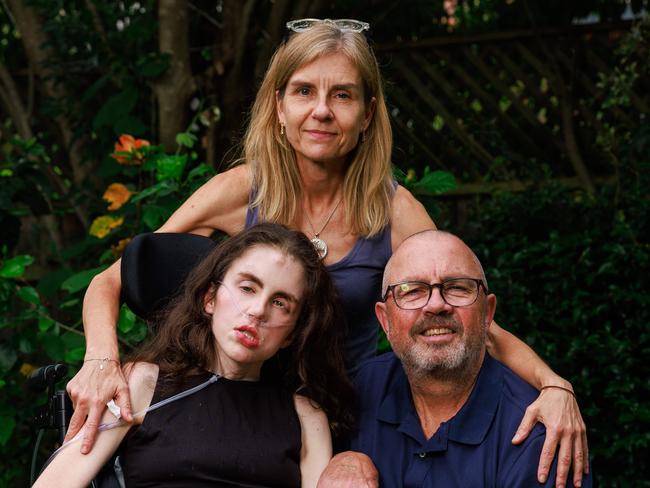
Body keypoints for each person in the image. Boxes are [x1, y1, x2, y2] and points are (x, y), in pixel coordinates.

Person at [68, 18, 586, 485]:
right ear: (278, 106)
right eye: (303, 91)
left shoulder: (394, 210)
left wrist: (554, 385)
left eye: (342, 95)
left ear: (367, 114)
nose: (321, 110)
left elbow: (461, 313)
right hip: (239, 407)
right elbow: (112, 281)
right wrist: (100, 361)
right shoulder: (239, 191)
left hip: (345, 418)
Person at [34, 223, 355, 487]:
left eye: (280, 303)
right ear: (210, 299)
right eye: (247, 288)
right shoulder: (143, 385)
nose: (257, 311)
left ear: (293, 333)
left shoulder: (305, 416)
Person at [321, 230, 591, 487]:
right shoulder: (364, 389)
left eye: (457, 287)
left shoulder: (538, 439)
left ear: (488, 313)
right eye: (412, 290)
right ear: (385, 320)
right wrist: (343, 459)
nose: (436, 304)